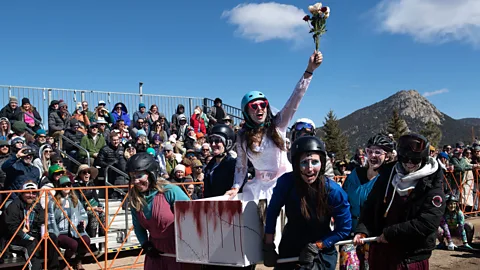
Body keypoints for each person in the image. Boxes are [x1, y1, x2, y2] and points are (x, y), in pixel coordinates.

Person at [226, 51, 323, 201]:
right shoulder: (242, 136)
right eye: (254, 106)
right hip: (258, 188)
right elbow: (241, 166)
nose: (260, 108)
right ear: (246, 111)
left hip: (286, 183)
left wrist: (309, 70)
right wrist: (235, 187)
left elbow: (295, 99)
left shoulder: (278, 124)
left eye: (263, 104)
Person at [354, 133, 446, 270]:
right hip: (381, 252)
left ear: (423, 158)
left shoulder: (432, 182)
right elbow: (370, 205)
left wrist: (390, 233)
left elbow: (428, 222)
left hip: (410, 257)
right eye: (405, 158)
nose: (409, 163)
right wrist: (362, 230)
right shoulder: (388, 174)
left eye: (415, 160)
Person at [263, 136, 351, 269]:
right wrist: (268, 245)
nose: (309, 169)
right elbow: (272, 212)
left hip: (321, 250)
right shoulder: (286, 183)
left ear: (322, 164)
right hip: (291, 246)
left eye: (315, 162)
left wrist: (318, 245)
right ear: (296, 164)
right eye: (304, 162)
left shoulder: (334, 191)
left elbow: (344, 229)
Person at [127, 152, 200, 270]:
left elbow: (193, 216)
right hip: (155, 252)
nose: (135, 181)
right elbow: (138, 227)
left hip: (178, 249)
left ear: (151, 174)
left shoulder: (170, 191)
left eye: (139, 176)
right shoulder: (135, 198)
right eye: (132, 177)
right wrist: (145, 244)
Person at [339, 134, 394, 270]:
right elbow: (342, 200)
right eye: (370, 151)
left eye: (378, 152)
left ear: (387, 156)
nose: (373, 156)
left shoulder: (388, 180)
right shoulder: (355, 174)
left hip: (374, 237)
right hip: (349, 234)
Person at [3, 180, 59, 270]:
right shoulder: (14, 206)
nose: (31, 195)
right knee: (31, 244)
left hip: (33, 235)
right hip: (15, 239)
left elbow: (42, 222)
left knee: (51, 238)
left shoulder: (37, 205)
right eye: (28, 192)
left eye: (34, 193)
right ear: (22, 193)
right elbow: (12, 229)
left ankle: (54, 268)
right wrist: (29, 237)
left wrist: (44, 234)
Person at [48, 176, 90, 270]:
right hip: (60, 231)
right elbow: (50, 218)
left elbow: (83, 214)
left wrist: (83, 222)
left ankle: (78, 261)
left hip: (75, 230)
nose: (66, 187)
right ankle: (65, 263)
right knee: (73, 244)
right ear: (59, 187)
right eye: (64, 185)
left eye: (68, 184)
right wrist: (55, 232)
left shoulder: (75, 200)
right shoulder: (53, 202)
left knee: (86, 240)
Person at [203, 124, 237, 198]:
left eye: (217, 140)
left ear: (228, 143)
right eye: (211, 141)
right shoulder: (209, 166)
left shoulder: (233, 165)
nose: (213, 144)